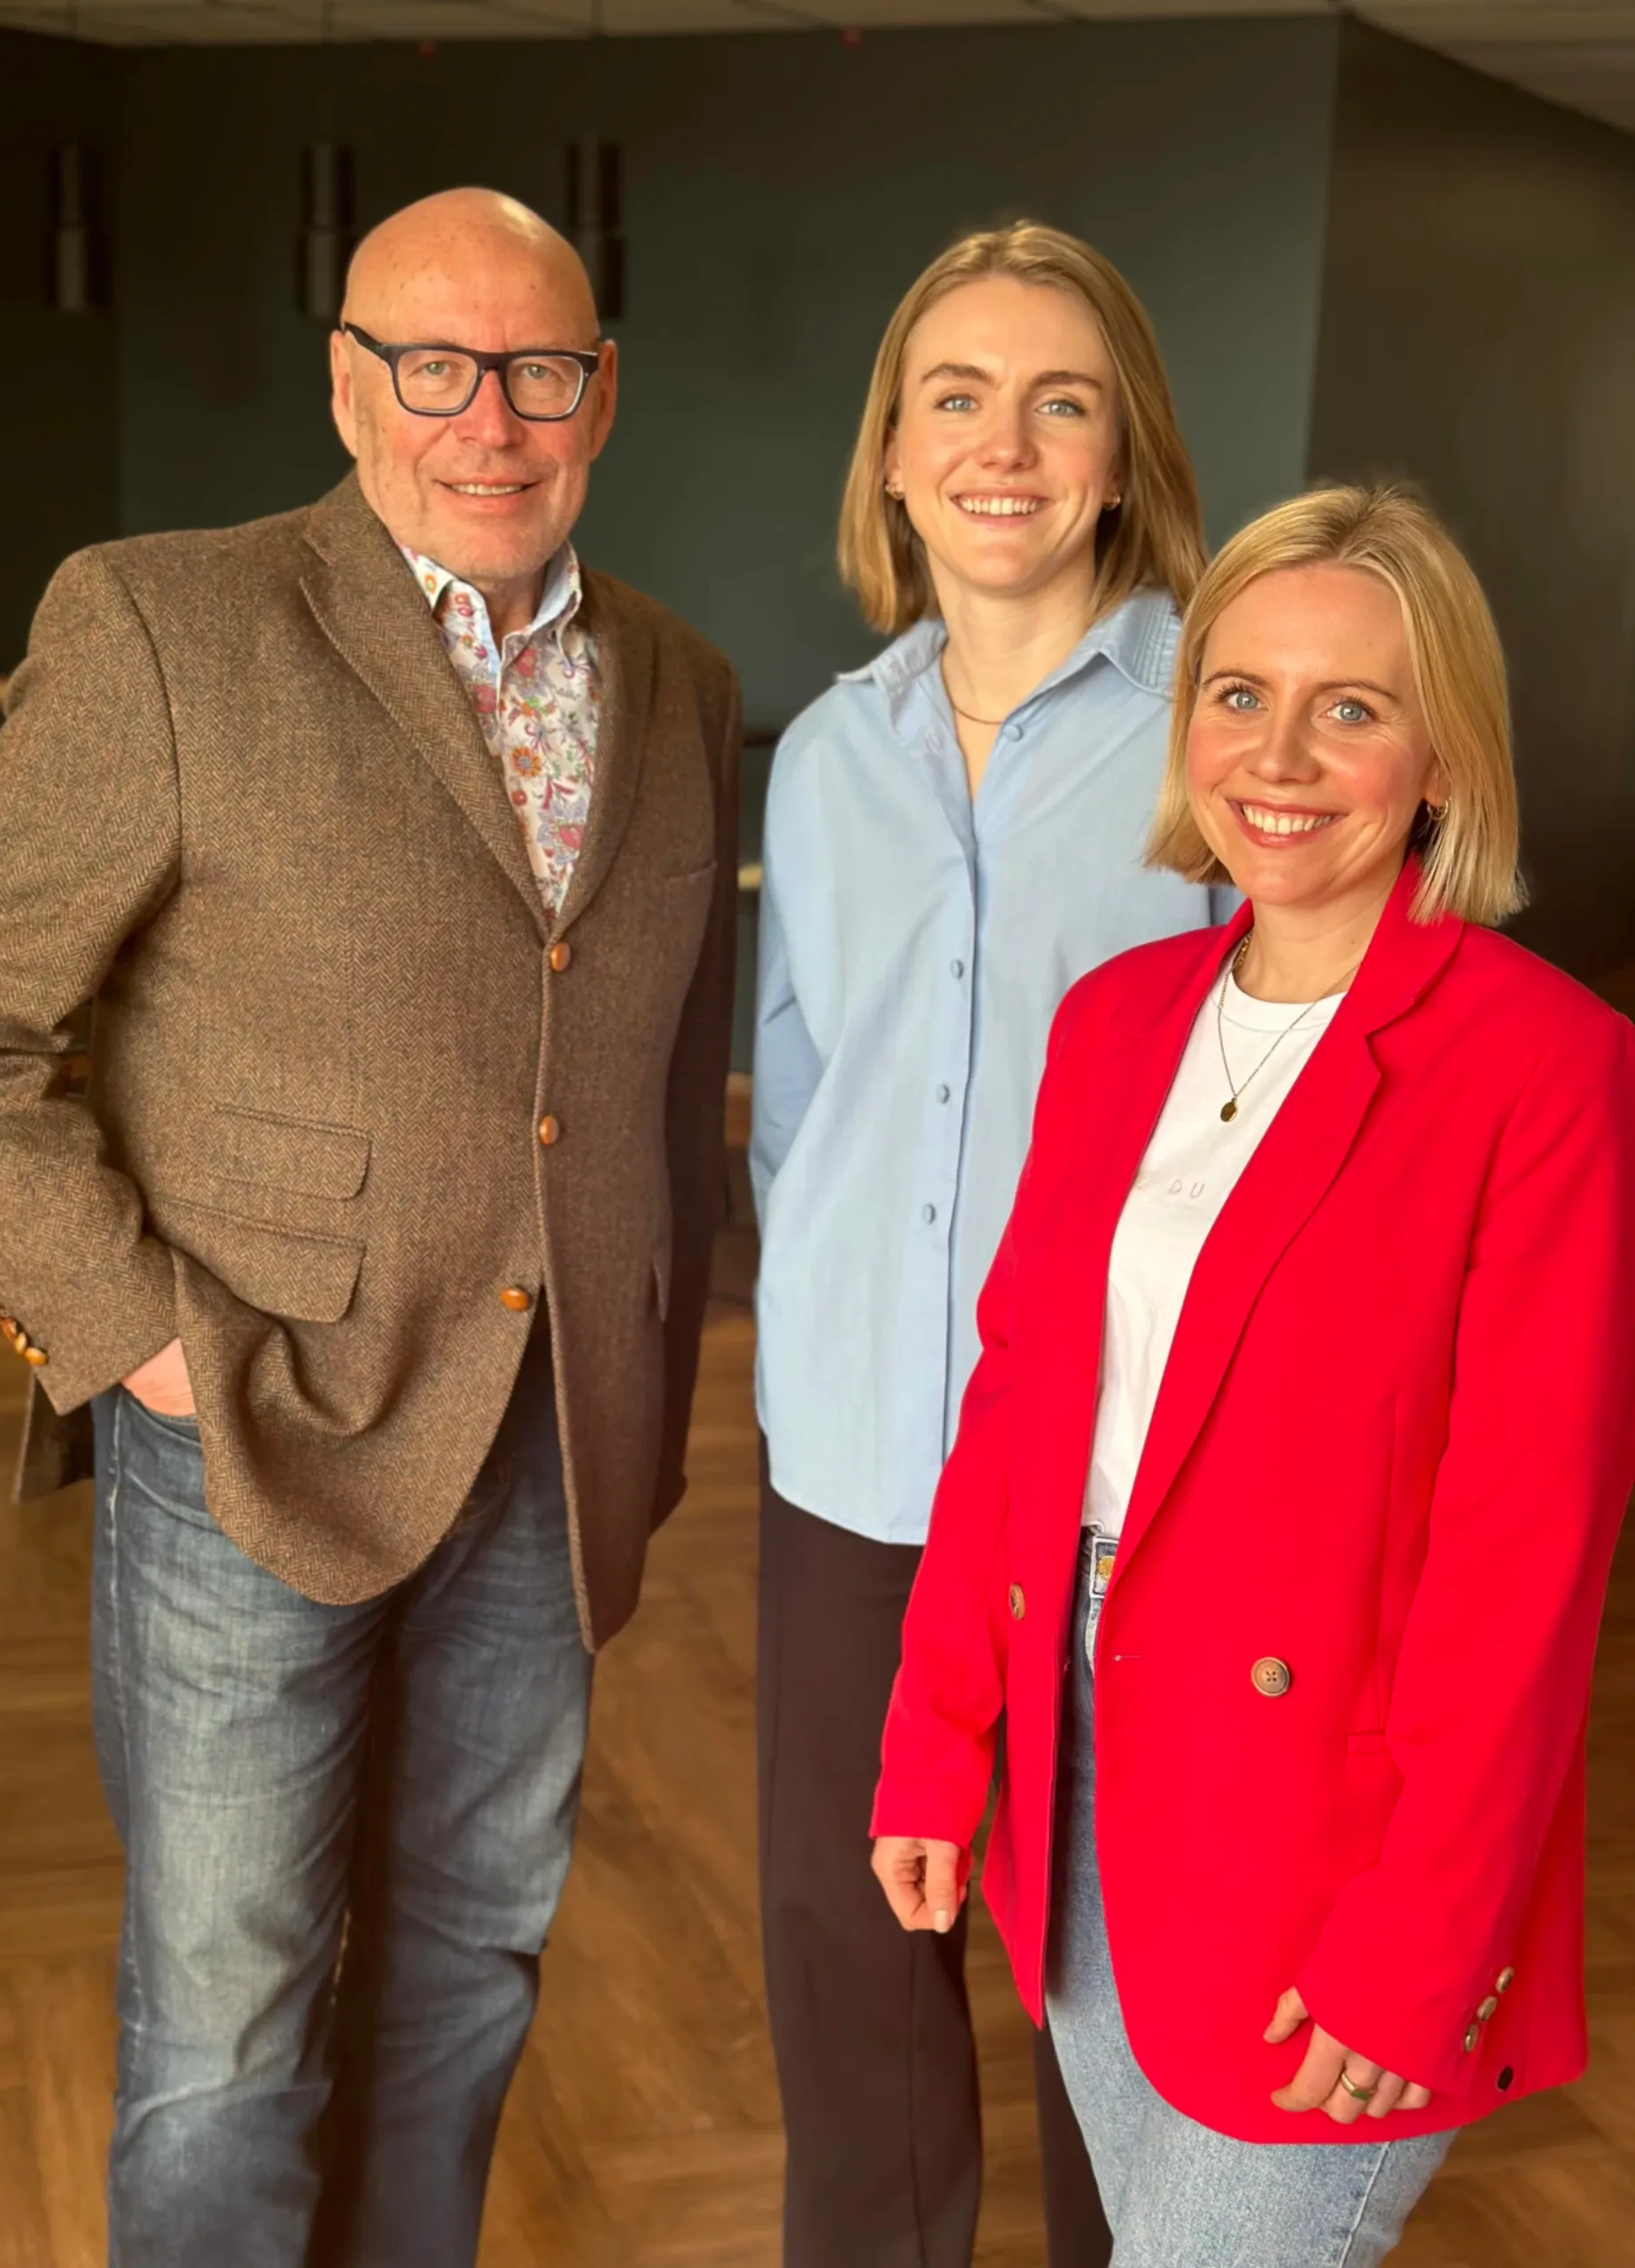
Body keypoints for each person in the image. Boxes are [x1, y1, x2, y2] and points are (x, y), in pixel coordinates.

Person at [0, 188, 740, 2267]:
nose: (489, 418)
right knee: (228, 2015)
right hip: (249, 1441)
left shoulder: (678, 679)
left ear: (604, 393)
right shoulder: (159, 622)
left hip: (555, 1446)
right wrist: (140, 1345)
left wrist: (659, 1349)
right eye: (430, 365)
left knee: (471, 1964)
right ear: (345, 383)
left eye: (539, 370)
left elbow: (656, 1069)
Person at [872, 484, 1635, 2267]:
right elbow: (1019, 1409)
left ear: (1442, 752)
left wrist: (1425, 1941)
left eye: (1350, 707)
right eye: (1238, 693)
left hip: (1333, 1833)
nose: (1277, 755)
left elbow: (1526, 1557)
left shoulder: (1549, 1066)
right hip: (1082, 1755)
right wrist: (934, 1735)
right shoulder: (1120, 1016)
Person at [751, 220, 1217, 2268]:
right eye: (957, 396)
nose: (1003, 444)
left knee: (1109, 1987)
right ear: (892, 455)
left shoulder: (1225, 731)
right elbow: (797, 1091)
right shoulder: (829, 750)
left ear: (1122, 454)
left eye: (1060, 400)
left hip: (1133, 1483)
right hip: (854, 1471)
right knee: (851, 1970)